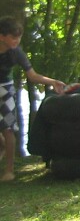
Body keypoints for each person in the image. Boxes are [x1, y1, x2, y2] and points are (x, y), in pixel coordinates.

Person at [1, 17, 67, 182]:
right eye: (13, 37)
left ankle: (9, 170)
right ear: (2, 37)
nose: (17, 40)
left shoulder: (16, 52)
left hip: (5, 89)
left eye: (19, 37)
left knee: (8, 128)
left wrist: (52, 82)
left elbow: (32, 76)